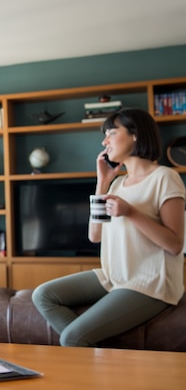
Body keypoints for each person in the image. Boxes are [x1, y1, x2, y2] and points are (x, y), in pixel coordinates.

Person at [32, 107, 185, 347]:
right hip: (115, 276)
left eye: (112, 133)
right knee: (43, 295)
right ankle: (104, 355)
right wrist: (102, 183)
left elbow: (175, 244)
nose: (105, 141)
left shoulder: (165, 177)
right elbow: (95, 235)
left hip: (151, 282)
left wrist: (131, 212)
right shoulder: (116, 184)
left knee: (71, 338)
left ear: (136, 135)